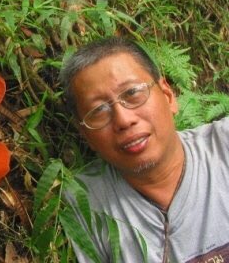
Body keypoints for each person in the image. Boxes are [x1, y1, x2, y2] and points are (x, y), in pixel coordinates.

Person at [59, 37, 229, 262]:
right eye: (98, 109)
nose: (124, 119)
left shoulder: (224, 146)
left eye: (132, 94)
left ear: (168, 96)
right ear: (85, 135)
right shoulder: (82, 204)